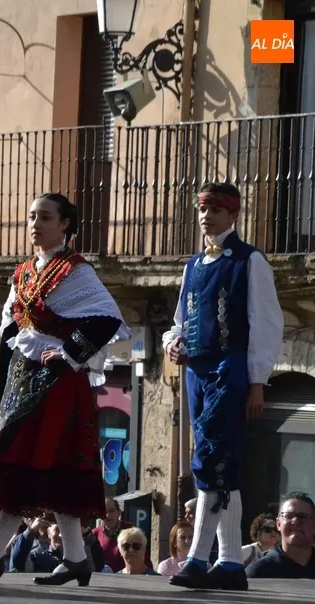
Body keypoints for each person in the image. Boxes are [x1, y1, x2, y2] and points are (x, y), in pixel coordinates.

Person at [0, 193, 130, 587]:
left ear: (64, 224)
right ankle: (76, 558)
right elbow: (10, 332)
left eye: (45, 217)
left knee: (35, 464)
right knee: (38, 466)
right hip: (22, 383)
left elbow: (107, 319)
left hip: (58, 385)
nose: (35, 224)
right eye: (31, 217)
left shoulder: (75, 271)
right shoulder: (24, 272)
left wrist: (67, 353)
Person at [163, 183, 283, 591]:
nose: (206, 216)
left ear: (233, 215)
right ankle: (230, 561)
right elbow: (180, 320)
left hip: (228, 370)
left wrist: (257, 381)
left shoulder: (250, 260)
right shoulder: (194, 265)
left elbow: (265, 323)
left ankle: (197, 558)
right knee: (220, 463)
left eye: (215, 209)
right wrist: (173, 342)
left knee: (211, 458)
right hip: (197, 373)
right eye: (202, 209)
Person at [246, 491, 315, 579]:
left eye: (303, 517)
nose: (295, 521)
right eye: (288, 516)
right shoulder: (259, 571)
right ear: (278, 524)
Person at [92, 498, 135, 572]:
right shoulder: (94, 534)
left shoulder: (131, 530)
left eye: (111, 511)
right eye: (104, 512)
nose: (107, 515)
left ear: (119, 512)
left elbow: (143, 559)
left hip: (126, 577)